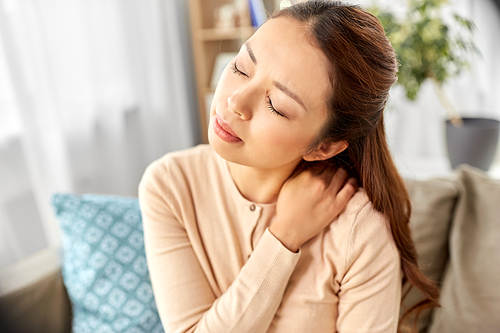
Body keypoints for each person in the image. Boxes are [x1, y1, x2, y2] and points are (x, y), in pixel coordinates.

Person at [138, 1, 440, 332]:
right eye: (241, 67)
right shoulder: (169, 185)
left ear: (323, 146)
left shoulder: (358, 229)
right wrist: (284, 236)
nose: (235, 102)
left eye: (276, 105)